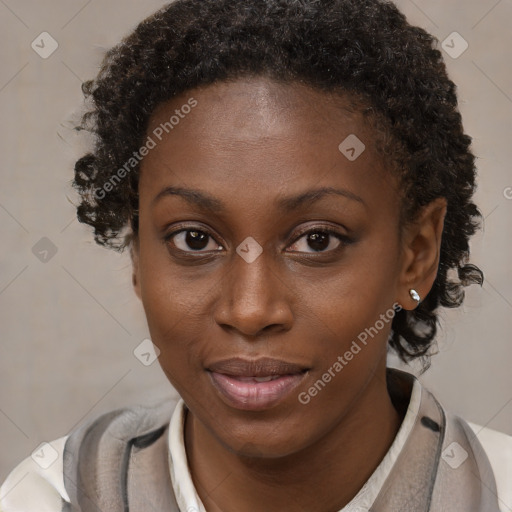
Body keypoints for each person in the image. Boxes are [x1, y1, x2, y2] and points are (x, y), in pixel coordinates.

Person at [1, 0, 511, 510]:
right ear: (137, 254)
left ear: (416, 255)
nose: (249, 311)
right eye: (193, 240)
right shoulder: (54, 496)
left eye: (317, 240)